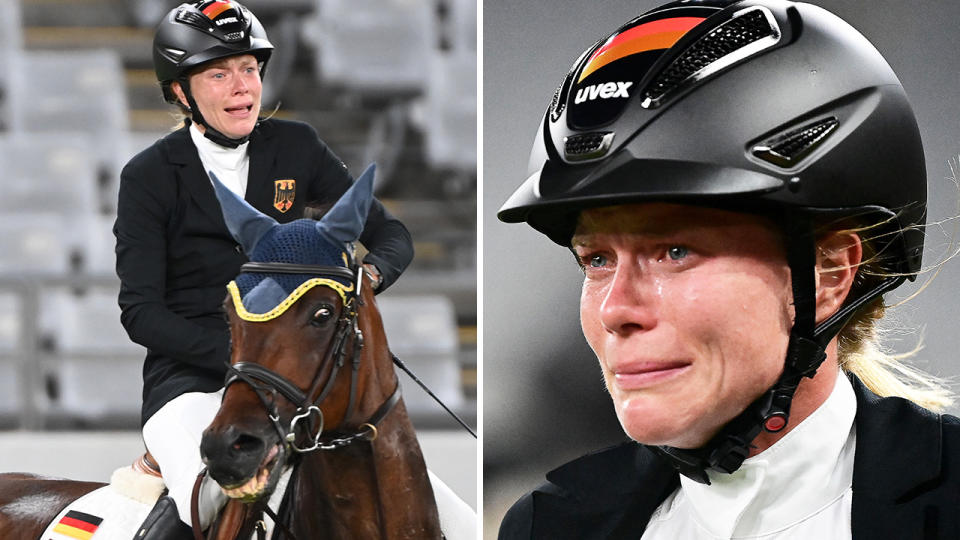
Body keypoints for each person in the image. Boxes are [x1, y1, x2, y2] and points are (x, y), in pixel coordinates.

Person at [496, 0, 960, 538]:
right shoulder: (546, 526)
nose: (614, 309)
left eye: (675, 252)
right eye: (597, 260)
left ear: (829, 275)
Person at [114, 1, 422, 537]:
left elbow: (391, 235)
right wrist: (243, 358)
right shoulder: (148, 176)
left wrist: (367, 279)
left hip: (297, 389)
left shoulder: (296, 146)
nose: (242, 87)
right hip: (191, 384)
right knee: (211, 502)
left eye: (249, 69)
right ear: (181, 92)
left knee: (421, 505)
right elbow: (140, 313)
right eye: (219, 73)